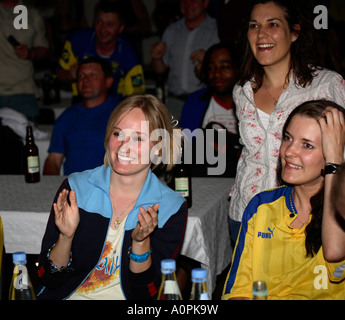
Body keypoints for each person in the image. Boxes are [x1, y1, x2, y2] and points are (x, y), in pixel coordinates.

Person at [36, 93, 188, 300]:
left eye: (138, 138)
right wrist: (66, 237)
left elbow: (145, 294)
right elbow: (49, 280)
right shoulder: (76, 188)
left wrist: (140, 243)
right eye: (118, 134)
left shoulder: (170, 207)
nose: (123, 146)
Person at [228, 0, 345, 243]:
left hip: (305, 218)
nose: (261, 34)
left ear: (294, 33)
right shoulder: (242, 91)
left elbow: (341, 154)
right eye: (254, 25)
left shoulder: (325, 86)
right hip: (247, 212)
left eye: (273, 24)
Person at [222, 100, 345, 300]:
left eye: (307, 145)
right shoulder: (262, 206)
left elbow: (334, 253)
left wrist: (335, 165)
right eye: (287, 138)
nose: (288, 152)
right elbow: (239, 291)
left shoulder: (340, 215)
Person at [57, 0, 145, 103]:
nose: (103, 29)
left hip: (115, 106)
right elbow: (59, 73)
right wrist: (69, 75)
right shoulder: (77, 40)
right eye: (99, 22)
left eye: (110, 24)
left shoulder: (128, 53)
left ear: (120, 28)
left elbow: (137, 95)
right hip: (82, 103)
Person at [43, 57, 118, 176]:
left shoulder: (122, 113)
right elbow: (54, 160)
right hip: (75, 190)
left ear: (108, 82)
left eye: (92, 75)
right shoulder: (67, 117)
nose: (86, 80)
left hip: (113, 188)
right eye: (81, 76)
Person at [150, 0, 220, 119]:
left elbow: (231, 69)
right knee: (169, 137)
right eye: (184, 0)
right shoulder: (171, 30)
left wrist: (209, 59)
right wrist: (157, 58)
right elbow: (160, 69)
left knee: (205, 138)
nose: (188, 4)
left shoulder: (217, 29)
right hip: (174, 102)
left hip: (205, 102)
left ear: (206, 3)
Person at [0, 0, 49, 120]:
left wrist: (31, 53)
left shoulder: (32, 13)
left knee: (26, 137)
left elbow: (43, 48)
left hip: (23, 89)